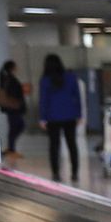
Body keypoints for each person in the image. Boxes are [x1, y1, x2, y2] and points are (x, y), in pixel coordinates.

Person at [38, 53, 84, 182]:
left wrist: (42, 118)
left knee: (54, 145)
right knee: (72, 144)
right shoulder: (71, 77)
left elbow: (43, 100)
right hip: (70, 115)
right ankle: (75, 173)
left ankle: (56, 173)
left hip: (52, 117)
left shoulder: (45, 80)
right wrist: (79, 114)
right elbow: (77, 97)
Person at [0, 60, 27, 161]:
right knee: (17, 126)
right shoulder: (10, 79)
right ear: (12, 68)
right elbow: (13, 93)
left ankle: (11, 148)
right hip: (13, 107)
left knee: (15, 127)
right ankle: (11, 149)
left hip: (12, 107)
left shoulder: (7, 78)